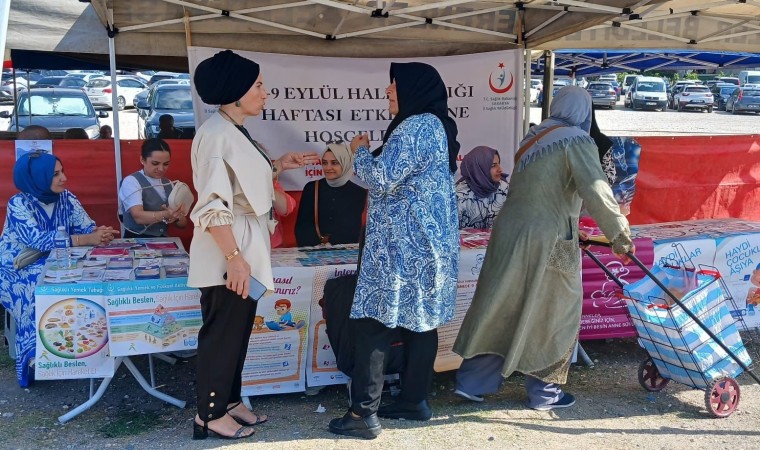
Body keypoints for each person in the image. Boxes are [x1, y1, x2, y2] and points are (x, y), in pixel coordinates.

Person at [452, 86, 634, 410]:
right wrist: (620, 236)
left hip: (509, 236)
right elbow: (597, 191)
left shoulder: (532, 138)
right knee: (555, 310)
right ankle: (545, 393)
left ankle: (472, 383)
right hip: (551, 240)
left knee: (501, 305)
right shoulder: (577, 140)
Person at [189, 49, 319, 441]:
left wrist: (279, 165)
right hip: (228, 251)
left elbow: (241, 180)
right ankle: (209, 414)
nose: (265, 93)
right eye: (258, 86)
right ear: (235, 91)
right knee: (223, 333)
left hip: (243, 247)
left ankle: (230, 402)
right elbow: (212, 206)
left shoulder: (233, 129)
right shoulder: (215, 136)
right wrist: (234, 259)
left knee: (239, 331)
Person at [328, 62, 460, 439]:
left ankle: (363, 413)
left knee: (373, 324)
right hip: (427, 245)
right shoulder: (437, 126)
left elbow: (381, 177)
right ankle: (414, 401)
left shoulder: (414, 126)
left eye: (394, 85)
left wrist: (359, 152)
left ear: (413, 90)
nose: (387, 91)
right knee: (421, 323)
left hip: (400, 247)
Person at [0, 151, 117, 387]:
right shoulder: (19, 204)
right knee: (39, 287)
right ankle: (35, 359)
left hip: (61, 260)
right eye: (55, 174)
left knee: (90, 275)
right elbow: (37, 241)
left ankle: (82, 348)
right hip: (20, 268)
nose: (64, 178)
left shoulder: (66, 197)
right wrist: (85, 239)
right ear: (37, 177)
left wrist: (99, 234)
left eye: (62, 171)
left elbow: (86, 227)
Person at [294, 142, 367, 246]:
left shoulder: (358, 192)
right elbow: (302, 227)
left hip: (344, 251)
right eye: (324, 163)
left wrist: (332, 244)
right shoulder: (311, 188)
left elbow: (352, 230)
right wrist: (318, 246)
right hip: (313, 250)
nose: (328, 167)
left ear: (345, 163)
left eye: (334, 163)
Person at [118, 138, 188, 238]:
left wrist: (177, 216)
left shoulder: (169, 183)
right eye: (155, 163)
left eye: (166, 164)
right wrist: (166, 214)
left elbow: (183, 224)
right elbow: (138, 216)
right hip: (137, 239)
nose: (161, 169)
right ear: (142, 160)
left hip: (162, 240)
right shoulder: (131, 181)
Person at [456, 146, 509, 229]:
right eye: (493, 165)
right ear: (479, 168)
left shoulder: (504, 188)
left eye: (499, 164)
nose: (500, 169)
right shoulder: (460, 194)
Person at [270, 180, 296, 248]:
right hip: (245, 245)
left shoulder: (271, 183)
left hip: (272, 246)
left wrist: (265, 186)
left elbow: (286, 208)